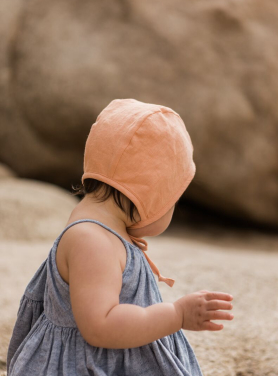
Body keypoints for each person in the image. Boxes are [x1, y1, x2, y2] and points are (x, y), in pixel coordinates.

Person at [7, 98, 234, 376]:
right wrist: (176, 315)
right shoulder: (92, 241)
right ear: (150, 193)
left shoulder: (100, 231)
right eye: (172, 199)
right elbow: (101, 326)